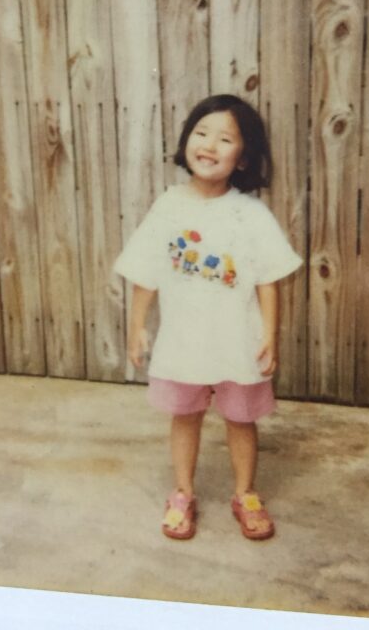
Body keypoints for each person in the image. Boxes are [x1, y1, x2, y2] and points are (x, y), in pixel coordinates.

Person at [113, 94, 302, 541]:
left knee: (241, 418)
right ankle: (182, 492)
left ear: (243, 157)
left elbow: (267, 281)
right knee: (185, 415)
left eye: (225, 139)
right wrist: (137, 325)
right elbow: (146, 273)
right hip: (184, 340)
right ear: (186, 141)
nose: (210, 145)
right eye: (201, 133)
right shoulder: (169, 207)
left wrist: (270, 337)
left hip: (237, 339)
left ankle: (246, 493)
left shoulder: (251, 214)